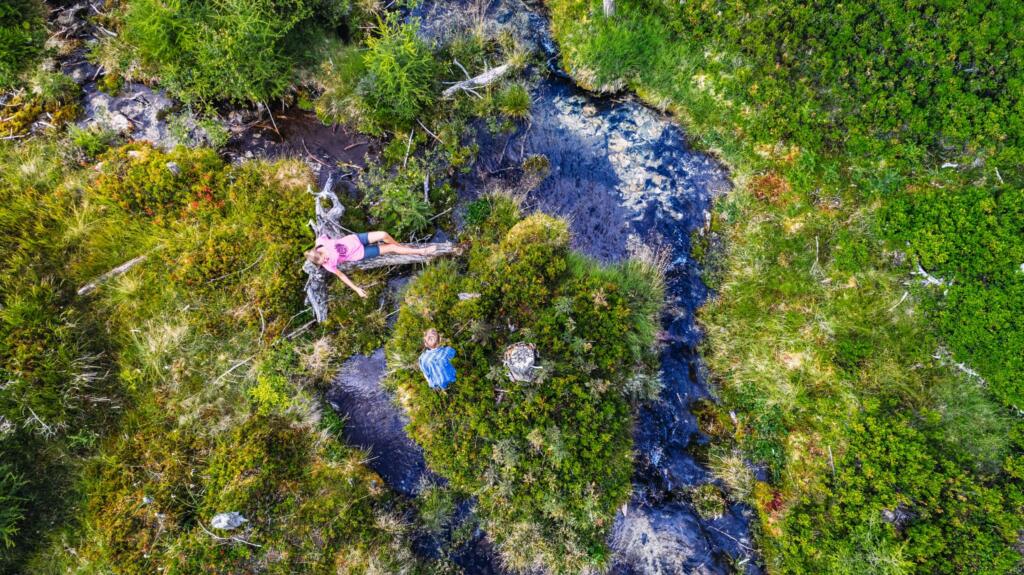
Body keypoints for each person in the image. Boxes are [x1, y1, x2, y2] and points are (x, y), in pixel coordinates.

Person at [305, 231, 435, 298]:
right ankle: (421, 252)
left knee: (383, 234)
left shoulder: (321, 242)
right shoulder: (328, 265)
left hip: (356, 239)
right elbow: (341, 275)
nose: (326, 261)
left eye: (325, 259)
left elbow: (324, 235)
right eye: (323, 263)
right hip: (361, 253)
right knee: (390, 248)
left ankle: (401, 246)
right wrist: (356, 289)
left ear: (319, 251)